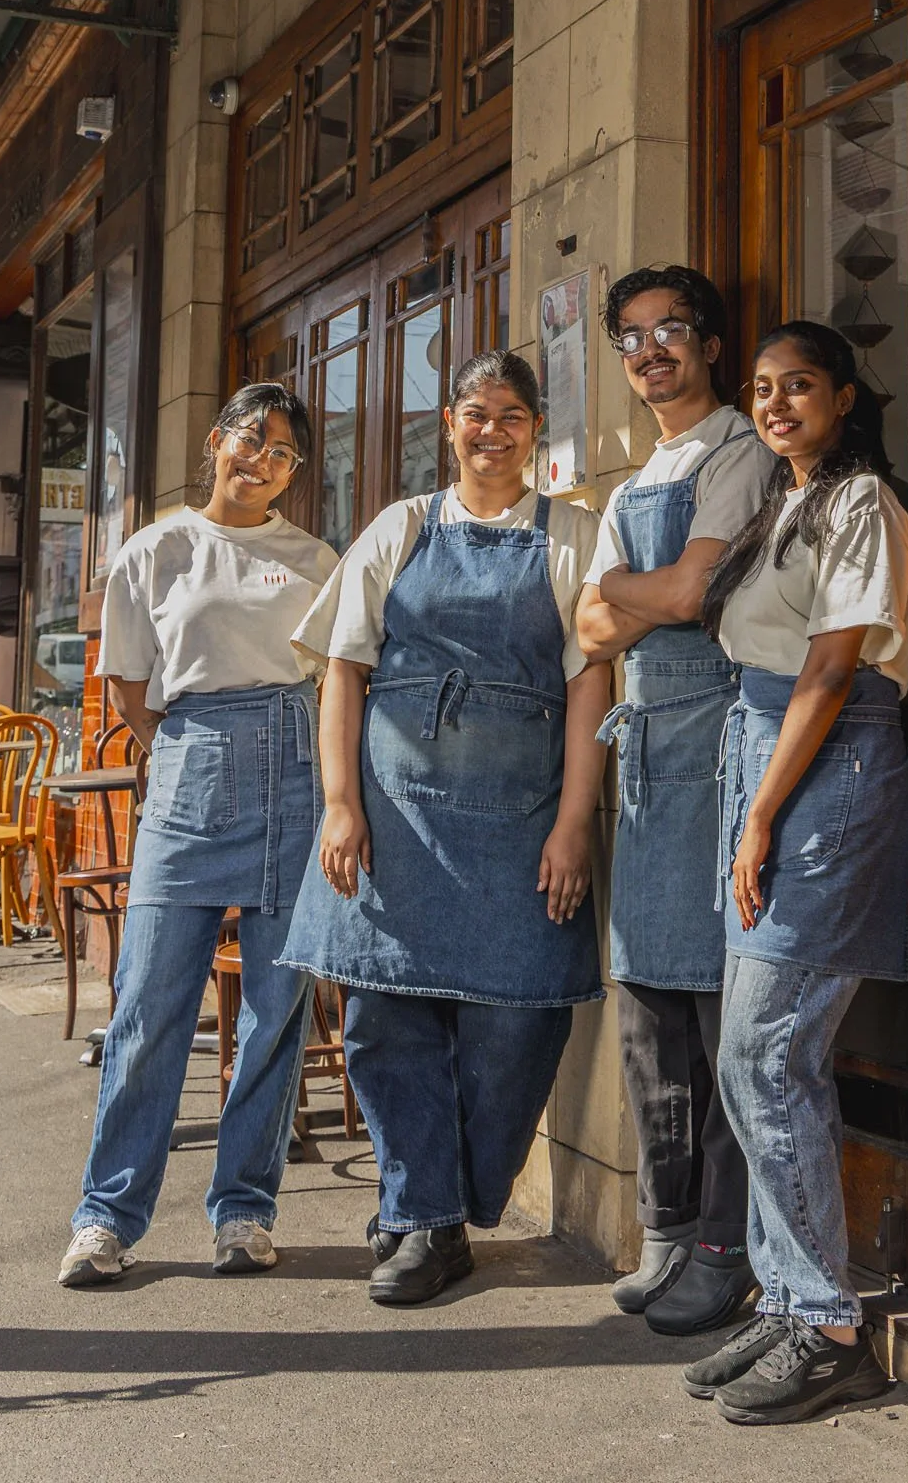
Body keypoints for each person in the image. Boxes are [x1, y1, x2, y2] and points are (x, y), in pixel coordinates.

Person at [281, 350, 607, 1306]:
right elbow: (342, 671)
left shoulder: (574, 537)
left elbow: (593, 686)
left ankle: (437, 1200)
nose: (492, 430)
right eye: (475, 413)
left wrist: (575, 823)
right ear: (449, 427)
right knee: (386, 1019)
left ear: (534, 430)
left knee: (519, 1024)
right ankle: (426, 1218)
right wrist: (341, 805)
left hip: (523, 824)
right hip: (394, 818)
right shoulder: (400, 527)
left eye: (511, 415)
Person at [684, 320, 908, 1426]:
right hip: (764, 757)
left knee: (767, 1049)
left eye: (800, 387)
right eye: (763, 389)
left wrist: (763, 810)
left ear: (845, 396)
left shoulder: (861, 503)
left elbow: (834, 663)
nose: (777, 404)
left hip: (826, 764)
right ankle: (789, 1296)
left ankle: (829, 1323)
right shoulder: (785, 501)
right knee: (759, 1058)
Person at [59, 384, 340, 1288]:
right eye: (250, 440)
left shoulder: (314, 558)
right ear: (217, 442)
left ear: (295, 474)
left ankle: (246, 1211)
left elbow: (340, 683)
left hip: (299, 768)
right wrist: (194, 758)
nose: (261, 460)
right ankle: (106, 1217)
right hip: (191, 765)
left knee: (274, 1008)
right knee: (147, 1003)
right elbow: (134, 694)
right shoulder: (156, 550)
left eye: (283, 453)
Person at [576, 266, 776, 1334]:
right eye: (633, 335)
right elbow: (593, 631)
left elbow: (698, 593)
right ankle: (661, 1226)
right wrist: (627, 599)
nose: (651, 349)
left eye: (671, 331)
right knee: (650, 1009)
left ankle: (722, 1239)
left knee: (716, 1009)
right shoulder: (631, 480)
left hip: (712, 748)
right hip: (646, 755)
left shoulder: (741, 449)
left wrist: (620, 591)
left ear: (708, 346)